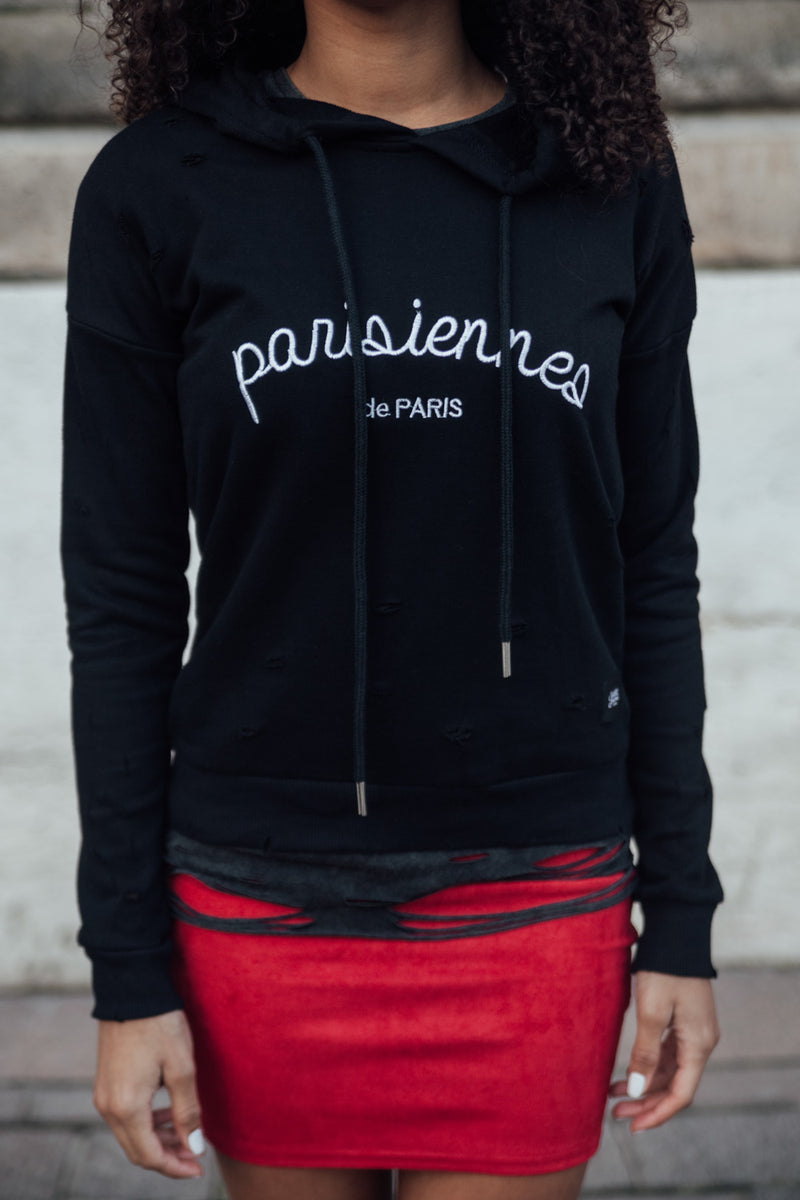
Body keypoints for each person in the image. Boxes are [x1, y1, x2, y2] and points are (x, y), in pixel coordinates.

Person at [60, 0, 725, 1197]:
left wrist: (680, 914)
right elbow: (120, 601)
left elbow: (650, 563)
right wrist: (128, 968)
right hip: (256, 904)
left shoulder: (606, 178)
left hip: (537, 898)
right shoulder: (158, 185)